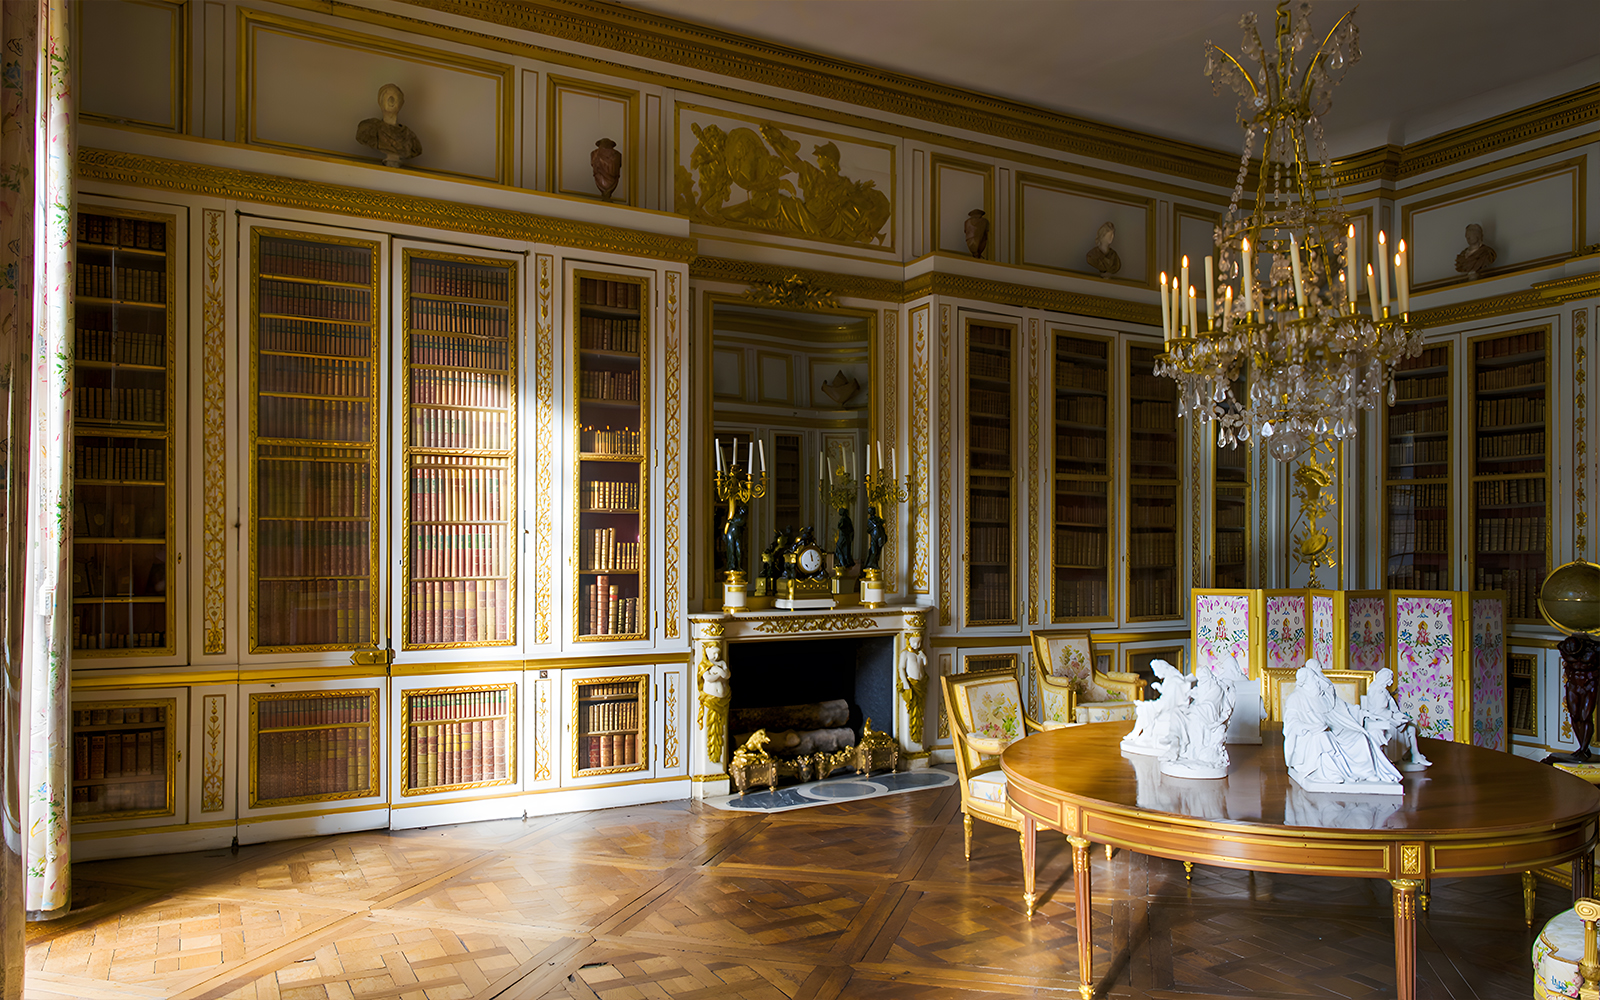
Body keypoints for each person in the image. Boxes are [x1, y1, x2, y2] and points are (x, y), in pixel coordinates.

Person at [1284, 658, 1401, 785]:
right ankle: (1330, 773)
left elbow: (1343, 707)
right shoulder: (1295, 698)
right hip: (1312, 735)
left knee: (1360, 736)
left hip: (1335, 728)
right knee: (1322, 737)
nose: (1318, 680)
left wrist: (1362, 712)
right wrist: (1310, 727)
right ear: (1305, 682)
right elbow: (1292, 723)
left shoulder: (1323, 696)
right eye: (1314, 678)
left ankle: (1366, 772)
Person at [1360, 667, 1430, 768]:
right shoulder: (1378, 691)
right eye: (1390, 679)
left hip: (1388, 717)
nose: (1391, 681)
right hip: (1383, 719)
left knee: (1411, 726)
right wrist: (1395, 717)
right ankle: (1414, 755)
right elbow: (1378, 711)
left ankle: (1415, 755)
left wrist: (1398, 715)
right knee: (1410, 728)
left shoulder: (1381, 689)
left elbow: (1390, 707)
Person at [356, 84, 422, 168]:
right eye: (387, 96)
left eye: (395, 97)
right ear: (380, 101)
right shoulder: (368, 129)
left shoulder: (411, 139)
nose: (391, 100)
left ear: (401, 103)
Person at [722, 499, 748, 574]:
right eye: (742, 508)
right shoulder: (734, 515)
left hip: (737, 534)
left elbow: (740, 522)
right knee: (731, 550)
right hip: (730, 534)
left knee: (738, 549)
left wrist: (731, 521)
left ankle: (738, 565)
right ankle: (731, 565)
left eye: (744, 509)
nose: (742, 510)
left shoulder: (741, 517)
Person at [863, 505, 886, 570]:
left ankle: (874, 563)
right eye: (870, 511)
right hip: (874, 536)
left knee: (878, 550)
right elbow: (870, 528)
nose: (871, 512)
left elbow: (882, 522)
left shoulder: (877, 519)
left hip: (879, 535)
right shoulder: (870, 520)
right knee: (874, 550)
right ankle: (871, 563)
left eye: (872, 511)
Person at [833, 507, 855, 572]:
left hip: (844, 537)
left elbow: (841, 527)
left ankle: (843, 563)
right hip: (845, 538)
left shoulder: (844, 520)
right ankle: (843, 563)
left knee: (839, 549)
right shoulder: (847, 519)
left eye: (840, 510)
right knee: (844, 551)